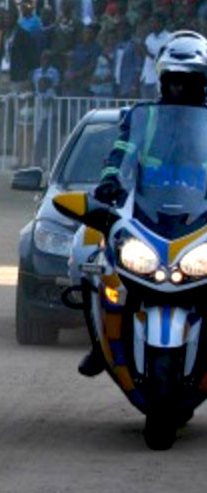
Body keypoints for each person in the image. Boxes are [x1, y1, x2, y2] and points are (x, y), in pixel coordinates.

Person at [82, 31, 207, 376]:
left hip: (199, 212)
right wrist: (109, 180)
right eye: (173, 80)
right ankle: (101, 344)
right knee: (91, 262)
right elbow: (122, 151)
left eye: (188, 81)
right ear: (162, 80)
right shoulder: (144, 116)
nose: (179, 88)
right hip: (147, 207)